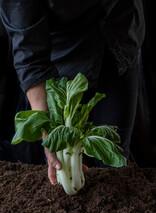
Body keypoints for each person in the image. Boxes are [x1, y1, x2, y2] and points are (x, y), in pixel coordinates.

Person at [0, 0, 145, 185]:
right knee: (64, 155)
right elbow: (28, 49)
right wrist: (47, 128)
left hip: (121, 36)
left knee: (115, 156)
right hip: (66, 57)